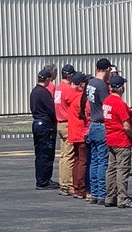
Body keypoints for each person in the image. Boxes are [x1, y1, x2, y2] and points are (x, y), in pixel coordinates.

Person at [103, 75, 132, 208]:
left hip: (110, 138)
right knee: (122, 170)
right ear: (120, 88)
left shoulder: (107, 101)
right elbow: (126, 125)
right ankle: (122, 198)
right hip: (121, 140)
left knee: (111, 169)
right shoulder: (120, 104)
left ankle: (110, 196)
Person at [86, 58, 112, 205]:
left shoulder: (91, 83)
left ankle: (94, 193)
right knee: (102, 161)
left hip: (93, 124)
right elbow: (107, 105)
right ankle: (102, 193)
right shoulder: (101, 85)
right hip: (101, 125)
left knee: (94, 161)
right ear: (107, 69)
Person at [30, 69, 59, 190]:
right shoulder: (44, 93)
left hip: (37, 123)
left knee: (39, 153)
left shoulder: (34, 91)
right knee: (46, 153)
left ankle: (41, 179)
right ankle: (44, 181)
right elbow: (52, 110)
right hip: (46, 125)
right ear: (47, 79)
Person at [67, 72, 91, 199]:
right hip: (81, 132)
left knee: (77, 160)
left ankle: (76, 186)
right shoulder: (81, 98)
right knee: (82, 161)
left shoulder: (72, 96)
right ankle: (81, 188)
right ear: (82, 84)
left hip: (73, 132)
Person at [54, 64, 76, 196]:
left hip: (60, 122)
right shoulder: (68, 89)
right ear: (70, 75)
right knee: (69, 155)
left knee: (63, 155)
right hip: (67, 123)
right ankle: (67, 184)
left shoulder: (58, 88)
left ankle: (63, 182)